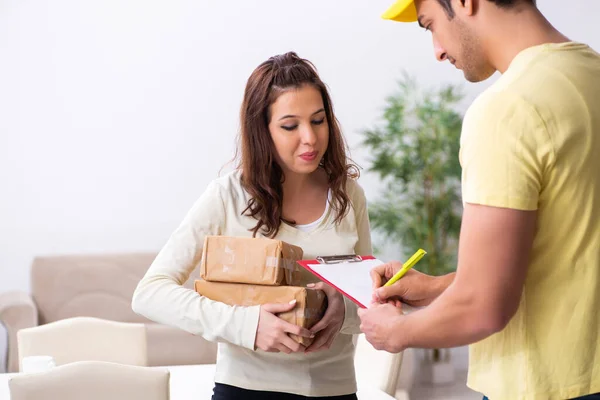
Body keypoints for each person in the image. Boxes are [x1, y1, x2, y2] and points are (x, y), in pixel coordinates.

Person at [358, 1, 600, 400]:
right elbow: (567, 259)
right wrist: (440, 288)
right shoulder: (590, 75)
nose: (436, 49)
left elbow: (485, 307)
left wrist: (395, 331)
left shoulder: (507, 110)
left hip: (541, 387)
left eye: (429, 25)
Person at [131, 51, 371, 400]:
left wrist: (343, 310)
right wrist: (247, 326)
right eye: (290, 126)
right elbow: (149, 293)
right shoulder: (227, 196)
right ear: (262, 130)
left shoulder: (347, 195)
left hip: (336, 391)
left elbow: (369, 302)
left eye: (318, 121)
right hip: (246, 390)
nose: (310, 138)